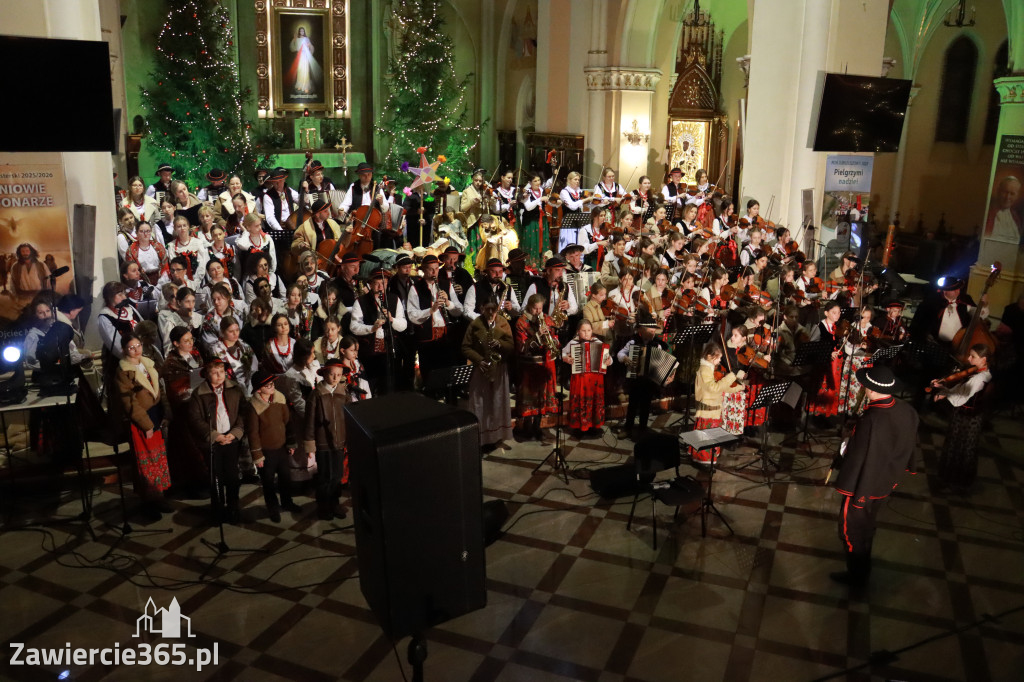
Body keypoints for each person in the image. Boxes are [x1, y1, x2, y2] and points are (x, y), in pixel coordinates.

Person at [832, 365, 918, 587]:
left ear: (870, 390)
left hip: (864, 485)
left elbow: (861, 457)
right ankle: (863, 571)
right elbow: (908, 445)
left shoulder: (872, 419)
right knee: (868, 525)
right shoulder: (907, 410)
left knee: (851, 529)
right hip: (887, 481)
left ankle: (857, 577)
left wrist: (846, 442)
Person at [116, 333, 173, 521]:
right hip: (142, 420)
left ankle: (159, 496)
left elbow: (159, 389)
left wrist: (165, 410)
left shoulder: (148, 363)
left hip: (155, 414)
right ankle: (147, 500)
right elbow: (129, 402)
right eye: (131, 347)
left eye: (138, 345)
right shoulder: (124, 371)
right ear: (124, 350)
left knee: (158, 458)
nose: (136, 350)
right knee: (145, 461)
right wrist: (146, 424)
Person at [189, 358, 247, 524]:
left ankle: (233, 507)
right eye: (214, 372)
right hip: (213, 442)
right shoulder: (199, 393)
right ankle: (218, 509)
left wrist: (235, 432)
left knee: (233, 476)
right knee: (216, 476)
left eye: (221, 371)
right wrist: (215, 436)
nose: (219, 375)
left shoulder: (235, 389)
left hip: (231, 439)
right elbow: (195, 419)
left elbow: (243, 412)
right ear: (207, 375)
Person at [930, 344, 993, 493]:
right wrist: (944, 386)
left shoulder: (980, 378)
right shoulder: (978, 372)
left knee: (959, 449)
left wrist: (944, 393)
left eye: (973, 357)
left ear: (984, 359)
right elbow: (960, 387)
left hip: (967, 418)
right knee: (960, 448)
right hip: (970, 416)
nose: (969, 358)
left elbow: (962, 397)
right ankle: (955, 481)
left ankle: (954, 483)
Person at [246, 370, 301, 523]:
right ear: (259, 389)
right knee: (268, 482)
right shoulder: (254, 407)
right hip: (266, 452)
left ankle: (287, 502)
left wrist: (291, 443)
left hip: (282, 448)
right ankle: (273, 508)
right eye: (268, 385)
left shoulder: (280, 399)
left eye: (272, 384)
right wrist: (257, 455)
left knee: (285, 478)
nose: (272, 386)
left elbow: (288, 423)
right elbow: (253, 433)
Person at [159, 326, 208, 498]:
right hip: (183, 412)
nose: (190, 343)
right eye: (186, 341)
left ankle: (205, 481)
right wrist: (189, 386)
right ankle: (192, 484)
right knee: (188, 450)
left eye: (191, 340)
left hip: (199, 406)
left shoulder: (195, 355)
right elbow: (174, 389)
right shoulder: (170, 363)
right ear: (175, 343)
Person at [304, 358, 352, 521]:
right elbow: (309, 421)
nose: (335, 378)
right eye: (332, 374)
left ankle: (335, 502)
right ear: (325, 373)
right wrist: (310, 445)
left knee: (337, 475)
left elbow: (348, 417)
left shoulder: (343, 392)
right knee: (325, 475)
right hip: (323, 442)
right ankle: (323, 505)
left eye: (338, 375)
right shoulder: (317, 394)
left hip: (339, 441)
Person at [462, 301, 514, 451]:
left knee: (497, 402)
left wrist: (500, 344)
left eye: (494, 310)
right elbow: (465, 347)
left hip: (499, 368)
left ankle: (496, 436)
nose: (491, 314)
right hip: (482, 369)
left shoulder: (503, 322)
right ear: (482, 308)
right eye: (488, 310)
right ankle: (481, 438)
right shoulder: (475, 324)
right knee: (481, 403)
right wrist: (479, 360)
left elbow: (511, 346)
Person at [350, 267, 407, 395]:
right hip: (369, 354)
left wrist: (392, 319)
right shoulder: (361, 301)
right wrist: (372, 328)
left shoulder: (394, 299)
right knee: (371, 385)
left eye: (384, 283)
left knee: (389, 386)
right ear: (370, 284)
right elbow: (354, 327)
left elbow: (403, 325)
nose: (381, 287)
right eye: (377, 283)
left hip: (389, 351)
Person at [407, 254, 463, 382]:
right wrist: (431, 310)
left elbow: (459, 310)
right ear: (424, 270)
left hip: (446, 337)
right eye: (431, 269)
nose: (434, 272)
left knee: (447, 372)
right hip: (427, 339)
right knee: (430, 375)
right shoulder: (415, 288)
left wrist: (448, 303)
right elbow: (412, 315)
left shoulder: (446, 284)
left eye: (437, 268)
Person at [690, 342, 745, 466]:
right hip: (708, 410)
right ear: (709, 357)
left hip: (714, 409)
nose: (720, 361)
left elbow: (722, 388)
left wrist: (738, 388)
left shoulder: (710, 369)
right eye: (719, 358)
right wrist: (731, 376)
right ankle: (704, 462)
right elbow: (714, 388)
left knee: (711, 437)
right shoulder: (705, 370)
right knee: (706, 438)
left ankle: (707, 460)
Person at [514, 294, 559, 444]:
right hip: (529, 365)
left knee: (541, 398)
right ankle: (527, 428)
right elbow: (521, 347)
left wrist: (552, 340)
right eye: (535, 308)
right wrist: (538, 336)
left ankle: (538, 427)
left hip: (545, 364)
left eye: (540, 308)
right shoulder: (521, 322)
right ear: (529, 306)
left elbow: (555, 336)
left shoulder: (546, 318)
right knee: (529, 398)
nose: (538, 312)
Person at [616, 319, 669, 439]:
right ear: (641, 330)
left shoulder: (657, 345)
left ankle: (642, 429)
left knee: (646, 405)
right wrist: (625, 358)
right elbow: (620, 354)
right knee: (632, 405)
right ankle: (628, 428)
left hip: (649, 381)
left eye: (654, 331)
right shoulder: (633, 342)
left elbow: (661, 361)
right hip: (635, 379)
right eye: (650, 331)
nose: (653, 334)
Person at [561, 319, 612, 438]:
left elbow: (608, 357)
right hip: (580, 378)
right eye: (583, 331)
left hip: (595, 379)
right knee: (580, 401)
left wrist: (609, 361)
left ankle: (593, 426)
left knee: (594, 401)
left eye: (589, 330)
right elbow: (563, 353)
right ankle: (579, 427)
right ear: (578, 331)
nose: (586, 333)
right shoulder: (573, 342)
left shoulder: (597, 341)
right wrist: (567, 359)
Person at [210, 316, 258, 396]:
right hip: (230, 390)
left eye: (237, 330)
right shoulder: (216, 350)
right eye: (231, 331)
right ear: (223, 332)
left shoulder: (244, 346)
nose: (235, 334)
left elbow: (254, 366)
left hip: (249, 386)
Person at [157, 286, 202, 356]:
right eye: (187, 302)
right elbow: (168, 348)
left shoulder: (199, 318)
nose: (191, 305)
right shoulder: (171, 321)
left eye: (193, 301)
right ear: (179, 302)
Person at [262, 167, 299, 232]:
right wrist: (280, 230)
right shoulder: (268, 196)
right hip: (279, 228)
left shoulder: (289, 191)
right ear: (272, 183)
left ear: (284, 180)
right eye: (275, 182)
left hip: (292, 226)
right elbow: (270, 217)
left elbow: (302, 201)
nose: (278, 184)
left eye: (280, 181)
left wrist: (306, 191)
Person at [288, 26, 322, 95]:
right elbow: (293, 48)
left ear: (304, 32)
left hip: (305, 56)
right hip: (299, 57)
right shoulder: (297, 39)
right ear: (299, 32)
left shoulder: (306, 39)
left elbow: (311, 47)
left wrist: (309, 46)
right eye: (300, 31)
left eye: (303, 31)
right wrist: (294, 40)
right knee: (300, 71)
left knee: (305, 71)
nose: (302, 32)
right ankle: (300, 85)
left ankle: (306, 87)